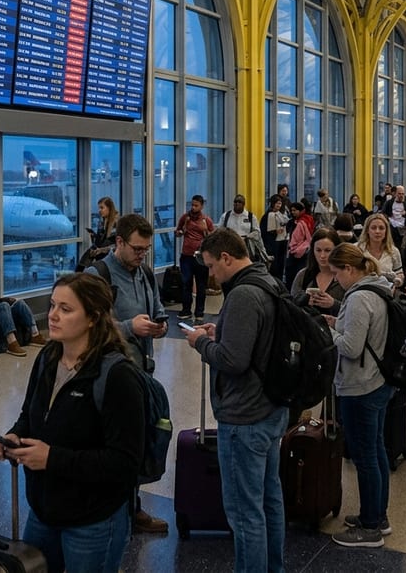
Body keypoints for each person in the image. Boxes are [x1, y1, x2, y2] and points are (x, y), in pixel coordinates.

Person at [0, 273, 144, 573]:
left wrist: (52, 458)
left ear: (92, 318)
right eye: (52, 305)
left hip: (92, 519)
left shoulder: (118, 378)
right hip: (44, 511)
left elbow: (125, 464)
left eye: (66, 309)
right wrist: (14, 436)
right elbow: (29, 416)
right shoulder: (47, 357)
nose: (53, 316)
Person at [181, 229, 285, 572]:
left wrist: (201, 342)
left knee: (244, 512)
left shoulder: (242, 294)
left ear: (227, 257)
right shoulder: (268, 281)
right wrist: (220, 333)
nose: (211, 274)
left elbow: (233, 361)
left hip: (244, 416)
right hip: (271, 407)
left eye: (212, 266)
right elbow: (255, 342)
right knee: (270, 499)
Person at [84, 214, 170, 534]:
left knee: (137, 444)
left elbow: (157, 308)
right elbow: (90, 329)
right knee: (116, 448)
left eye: (146, 249)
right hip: (112, 379)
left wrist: (159, 326)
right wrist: (129, 327)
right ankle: (113, 512)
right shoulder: (98, 275)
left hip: (141, 373)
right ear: (118, 242)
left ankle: (131, 509)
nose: (141, 254)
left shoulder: (144, 272)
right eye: (136, 248)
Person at [325, 245, 392, 548]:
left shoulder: (358, 298)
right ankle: (378, 515)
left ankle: (369, 529)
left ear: (350, 270)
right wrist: (337, 322)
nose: (336, 279)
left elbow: (351, 348)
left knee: (365, 457)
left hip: (359, 385)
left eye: (337, 272)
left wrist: (328, 333)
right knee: (377, 451)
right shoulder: (380, 289)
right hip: (379, 382)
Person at [175, 194, 215, 323]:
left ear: (201, 206)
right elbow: (177, 232)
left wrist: (205, 232)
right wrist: (182, 231)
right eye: (192, 205)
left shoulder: (206, 220)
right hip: (186, 255)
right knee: (186, 283)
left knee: (201, 285)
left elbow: (212, 238)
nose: (193, 207)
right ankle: (186, 310)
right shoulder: (185, 218)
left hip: (200, 257)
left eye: (196, 205)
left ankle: (199, 312)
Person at [291, 228, 345, 316]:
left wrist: (333, 304)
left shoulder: (345, 276)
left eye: (327, 251)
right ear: (313, 251)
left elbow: (353, 311)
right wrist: (304, 300)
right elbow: (290, 305)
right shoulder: (303, 275)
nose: (322, 256)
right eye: (318, 250)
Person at [359, 213, 404, 288]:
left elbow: (399, 273)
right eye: (373, 228)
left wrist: (397, 282)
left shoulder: (394, 251)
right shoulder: (357, 249)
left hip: (387, 293)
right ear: (367, 230)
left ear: (386, 231)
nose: (377, 231)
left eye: (381, 228)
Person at [77, 196, 119, 270]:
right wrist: (93, 235)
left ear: (109, 208)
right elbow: (100, 240)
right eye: (99, 208)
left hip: (109, 254)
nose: (99, 210)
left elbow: (116, 245)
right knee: (84, 262)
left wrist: (101, 250)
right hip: (100, 251)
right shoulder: (101, 222)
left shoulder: (116, 223)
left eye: (102, 208)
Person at [285, 198, 317, 287]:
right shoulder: (309, 219)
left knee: (293, 273)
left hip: (297, 251)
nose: (293, 212)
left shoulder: (300, 223)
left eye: (295, 210)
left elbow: (296, 239)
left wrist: (292, 248)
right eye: (292, 210)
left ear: (301, 211)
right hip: (306, 249)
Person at [261, 194, 290, 279]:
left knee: (281, 263)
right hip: (273, 244)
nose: (278, 205)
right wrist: (274, 232)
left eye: (280, 203)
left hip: (282, 241)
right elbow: (264, 231)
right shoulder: (268, 215)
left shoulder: (280, 214)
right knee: (274, 265)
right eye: (277, 203)